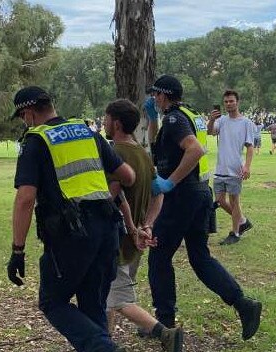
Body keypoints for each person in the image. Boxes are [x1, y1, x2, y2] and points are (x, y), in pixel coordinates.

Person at [6, 86, 134, 352]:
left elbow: (25, 198)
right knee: (92, 304)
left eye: (21, 118)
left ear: (28, 113)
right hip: (108, 227)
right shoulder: (87, 132)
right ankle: (102, 345)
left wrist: (18, 250)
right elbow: (128, 176)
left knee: (53, 301)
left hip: (72, 233)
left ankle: (103, 348)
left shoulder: (36, 140)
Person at [147, 74, 262, 340]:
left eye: (156, 95)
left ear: (163, 96)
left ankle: (164, 323)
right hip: (199, 193)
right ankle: (243, 304)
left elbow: (195, 150)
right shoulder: (188, 115)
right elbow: (158, 148)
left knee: (159, 256)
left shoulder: (175, 119)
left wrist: (169, 183)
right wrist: (153, 119)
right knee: (199, 257)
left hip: (182, 196)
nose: (153, 99)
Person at [102, 99, 183, 352]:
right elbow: (158, 193)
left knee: (120, 299)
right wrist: (147, 225)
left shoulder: (115, 154)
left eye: (105, 118)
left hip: (118, 240)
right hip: (136, 239)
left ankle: (166, 334)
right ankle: (104, 342)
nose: (103, 123)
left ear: (115, 123)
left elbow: (112, 197)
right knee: (106, 298)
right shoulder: (142, 154)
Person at [207, 90, 255, 246]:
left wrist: (247, 166)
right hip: (220, 168)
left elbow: (250, 147)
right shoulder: (221, 121)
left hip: (235, 168)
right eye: (226, 102)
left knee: (234, 202)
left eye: (231, 101)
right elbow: (210, 132)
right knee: (220, 201)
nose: (228, 104)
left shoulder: (246, 123)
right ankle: (242, 221)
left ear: (237, 102)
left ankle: (235, 232)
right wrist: (211, 120)